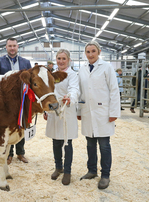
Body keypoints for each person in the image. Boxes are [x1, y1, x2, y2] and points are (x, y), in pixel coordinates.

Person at [77, 41, 120, 190]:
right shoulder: (82, 69)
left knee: (104, 145)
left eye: (93, 51)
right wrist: (78, 111)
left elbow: (114, 90)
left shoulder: (106, 67)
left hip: (103, 112)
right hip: (87, 111)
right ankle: (92, 171)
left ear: (99, 52)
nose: (90, 54)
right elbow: (80, 91)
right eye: (88, 52)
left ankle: (105, 175)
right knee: (90, 144)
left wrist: (114, 112)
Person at [0, 37, 32, 164]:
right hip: (6, 102)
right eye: (10, 46)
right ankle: (9, 154)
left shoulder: (25, 62)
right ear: (6, 48)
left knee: (22, 126)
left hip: (22, 100)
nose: (12, 48)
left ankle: (20, 153)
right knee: (8, 127)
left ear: (18, 47)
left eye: (14, 45)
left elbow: (31, 79)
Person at [43, 49, 79, 185]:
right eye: (59, 58)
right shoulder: (51, 75)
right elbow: (47, 93)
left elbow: (74, 89)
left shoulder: (72, 74)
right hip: (53, 112)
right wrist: (46, 111)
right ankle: (58, 167)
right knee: (56, 142)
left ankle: (68, 171)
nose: (61, 61)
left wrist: (70, 97)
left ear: (68, 60)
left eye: (64, 58)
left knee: (67, 142)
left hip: (66, 110)